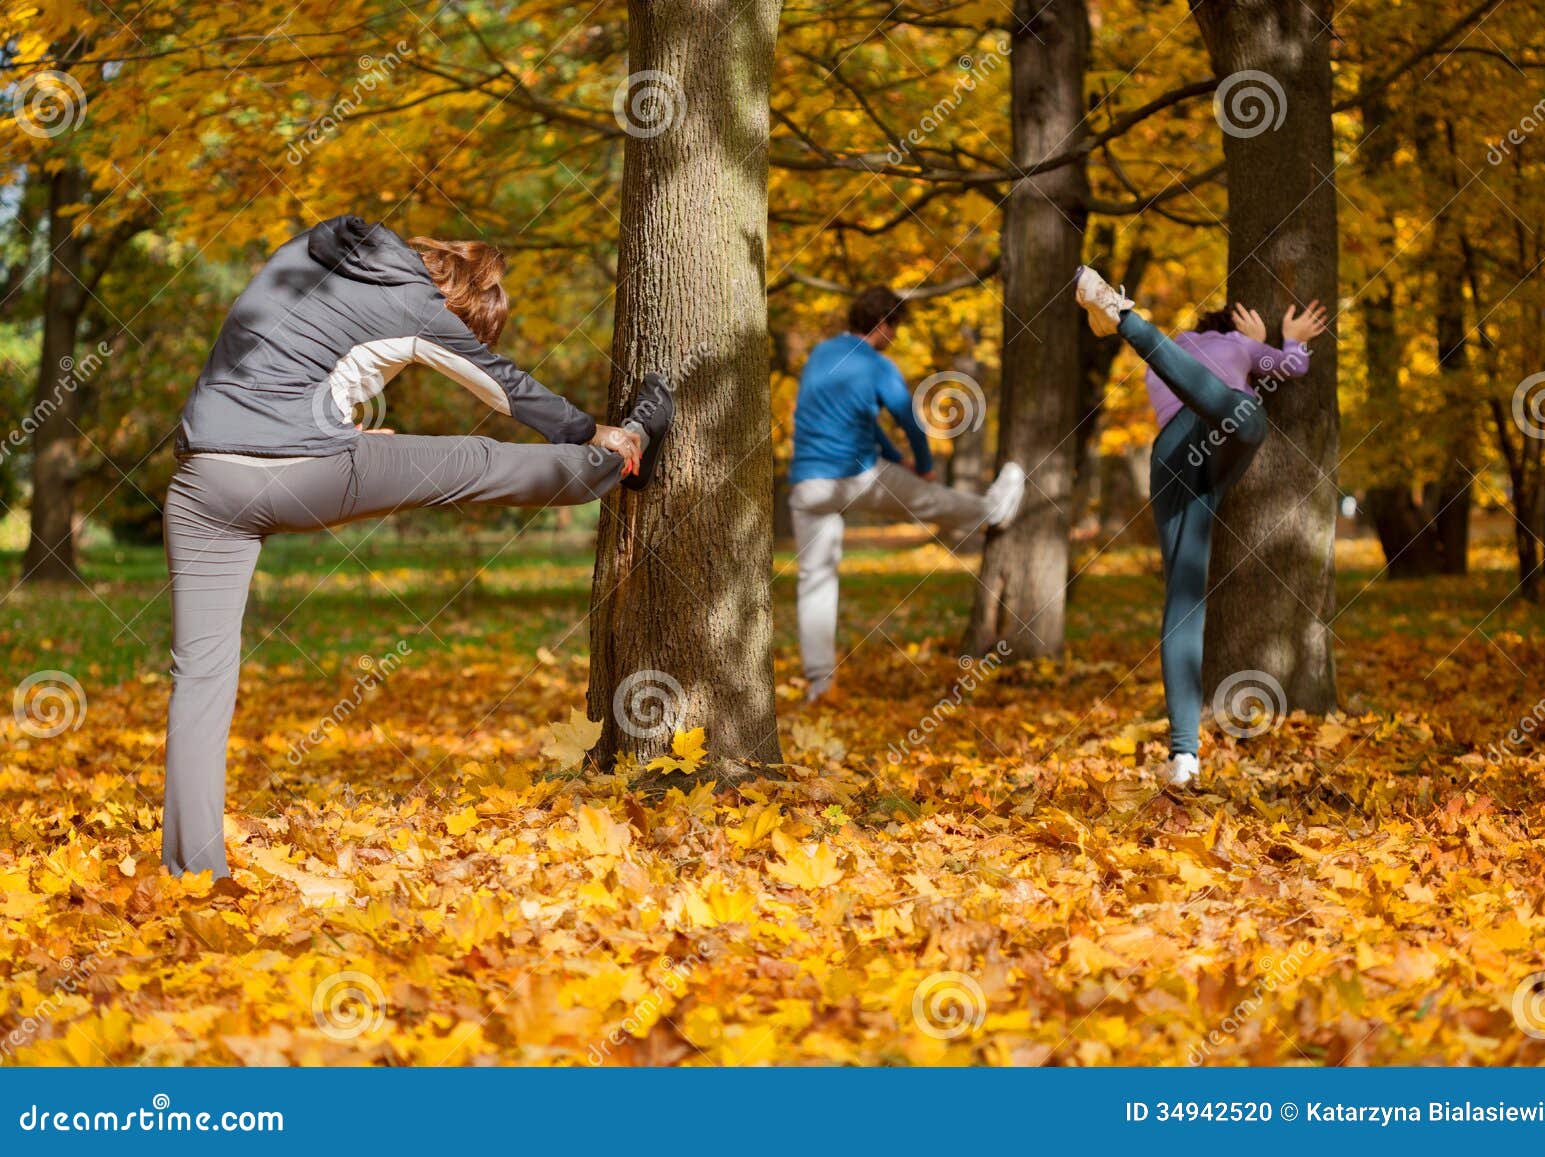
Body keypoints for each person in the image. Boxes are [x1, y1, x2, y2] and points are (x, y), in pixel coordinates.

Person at [161, 214, 673, 877]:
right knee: (471, 461)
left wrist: (337, 431)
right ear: (461, 305)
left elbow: (276, 368)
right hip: (292, 470)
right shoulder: (416, 303)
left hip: (201, 480)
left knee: (200, 681)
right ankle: (622, 458)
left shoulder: (308, 257)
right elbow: (500, 387)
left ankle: (193, 873)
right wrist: (591, 427)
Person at [1074, 265, 1329, 787]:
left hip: (1172, 454)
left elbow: (1187, 387)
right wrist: (1285, 342)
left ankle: (1184, 755)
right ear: (1232, 328)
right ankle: (1124, 318)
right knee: (1241, 414)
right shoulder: (1239, 343)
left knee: (1183, 598)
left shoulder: (1174, 352)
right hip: (1224, 425)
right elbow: (1290, 369)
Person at [788, 286, 1025, 704]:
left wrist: (897, 459)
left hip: (807, 484)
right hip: (853, 476)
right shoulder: (876, 365)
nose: (894, 337)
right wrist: (925, 466)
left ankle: (819, 683)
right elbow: (910, 421)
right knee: (928, 500)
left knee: (815, 582)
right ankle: (994, 510)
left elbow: (866, 420)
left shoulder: (822, 355)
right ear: (883, 325)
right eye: (894, 328)